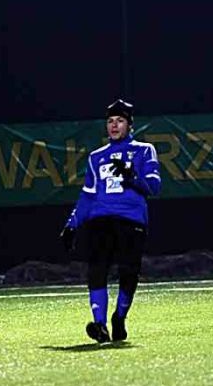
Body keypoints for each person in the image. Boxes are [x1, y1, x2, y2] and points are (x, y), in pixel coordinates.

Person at [59, 99, 161, 343]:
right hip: (101, 219)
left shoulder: (144, 150)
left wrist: (132, 177)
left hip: (131, 220)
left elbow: (154, 187)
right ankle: (100, 325)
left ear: (130, 125)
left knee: (129, 273)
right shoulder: (96, 157)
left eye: (120, 121)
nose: (114, 126)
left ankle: (119, 317)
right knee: (97, 269)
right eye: (110, 121)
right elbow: (87, 196)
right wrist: (72, 224)